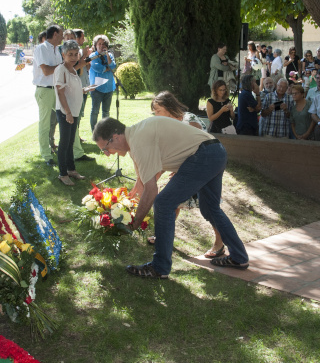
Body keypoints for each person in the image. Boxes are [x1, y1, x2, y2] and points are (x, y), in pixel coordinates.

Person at [93, 117, 250, 278]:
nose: (106, 154)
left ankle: (159, 268)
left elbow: (151, 190)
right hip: (216, 151)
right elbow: (145, 181)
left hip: (204, 155)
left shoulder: (139, 142)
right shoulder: (136, 137)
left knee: (163, 203)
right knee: (210, 208)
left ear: (116, 137)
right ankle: (239, 257)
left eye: (105, 148)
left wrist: (134, 223)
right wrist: (124, 205)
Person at [149, 91, 224, 258]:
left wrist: (181, 170)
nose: (156, 114)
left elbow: (200, 145)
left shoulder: (188, 120)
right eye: (154, 111)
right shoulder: (168, 125)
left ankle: (220, 243)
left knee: (210, 209)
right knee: (171, 202)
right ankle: (162, 235)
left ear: (169, 107)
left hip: (203, 168)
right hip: (188, 170)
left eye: (158, 110)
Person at [54, 40, 91, 186]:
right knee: (64, 143)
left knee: (70, 142)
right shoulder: (61, 70)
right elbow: (60, 92)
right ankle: (62, 174)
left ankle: (71, 169)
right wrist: (68, 113)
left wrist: (84, 90)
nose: (74, 57)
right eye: (70, 54)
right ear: (63, 55)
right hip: (66, 112)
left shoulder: (73, 69)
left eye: (76, 54)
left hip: (73, 111)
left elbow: (71, 90)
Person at [33, 25, 63, 166]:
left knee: (66, 118)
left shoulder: (57, 50)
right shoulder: (41, 48)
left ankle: (74, 151)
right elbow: (45, 70)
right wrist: (63, 66)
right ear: (55, 34)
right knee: (45, 124)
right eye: (61, 34)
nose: (63, 37)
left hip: (57, 89)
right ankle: (46, 156)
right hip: (44, 90)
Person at [65, 29, 95, 162]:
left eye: (73, 37)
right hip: (66, 99)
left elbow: (82, 68)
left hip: (77, 92)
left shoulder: (73, 59)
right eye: (69, 37)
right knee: (68, 127)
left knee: (74, 124)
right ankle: (71, 155)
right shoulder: (64, 61)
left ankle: (76, 153)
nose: (72, 40)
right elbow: (75, 70)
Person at [88, 34, 117, 131]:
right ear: (95, 45)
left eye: (103, 44)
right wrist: (108, 68)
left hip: (109, 88)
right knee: (95, 111)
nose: (101, 46)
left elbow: (113, 66)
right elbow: (99, 68)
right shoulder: (93, 56)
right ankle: (94, 131)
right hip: (97, 88)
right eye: (99, 44)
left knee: (106, 112)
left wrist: (107, 55)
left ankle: (105, 132)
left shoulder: (110, 55)